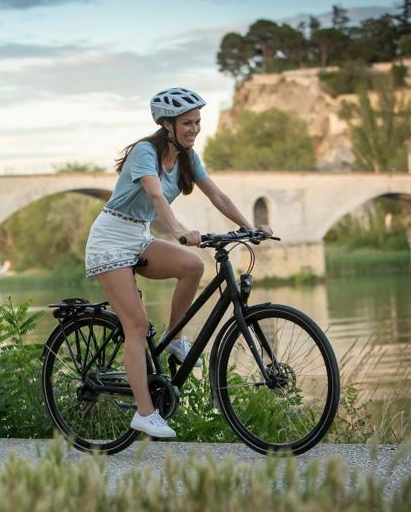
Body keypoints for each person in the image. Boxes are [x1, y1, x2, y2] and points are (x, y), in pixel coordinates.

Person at [84, 87, 271, 439]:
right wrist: (179, 230)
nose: (195, 128)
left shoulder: (188, 157)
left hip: (138, 234)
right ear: (167, 124)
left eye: (198, 121)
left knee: (192, 266)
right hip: (110, 238)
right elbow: (155, 195)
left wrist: (248, 228)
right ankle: (144, 413)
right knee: (136, 326)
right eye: (187, 122)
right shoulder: (145, 152)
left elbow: (215, 193)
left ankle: (173, 336)